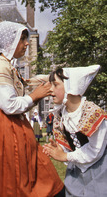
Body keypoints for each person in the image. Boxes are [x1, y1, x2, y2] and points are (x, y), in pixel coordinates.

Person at [0, 21, 64, 196]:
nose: (27, 43)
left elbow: (20, 90)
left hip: (6, 123)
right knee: (12, 172)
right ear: (11, 42)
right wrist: (35, 96)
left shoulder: (7, 65)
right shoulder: (1, 66)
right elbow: (9, 105)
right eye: (23, 39)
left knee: (24, 167)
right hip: (0, 124)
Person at [43, 65, 107, 196]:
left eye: (55, 85)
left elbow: (95, 151)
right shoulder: (61, 115)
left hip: (101, 169)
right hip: (77, 170)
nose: (50, 90)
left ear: (70, 87)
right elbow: (70, 147)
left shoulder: (91, 112)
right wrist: (61, 150)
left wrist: (66, 156)